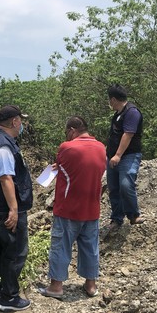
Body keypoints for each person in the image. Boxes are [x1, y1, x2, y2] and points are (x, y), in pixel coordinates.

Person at [39, 117, 107, 299]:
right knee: (90, 247)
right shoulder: (101, 147)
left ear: (72, 130)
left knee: (61, 246)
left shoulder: (66, 147)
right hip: (92, 209)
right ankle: (91, 285)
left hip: (68, 209)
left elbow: (65, 167)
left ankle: (56, 286)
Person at [0, 105, 33, 312]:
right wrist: (13, 208)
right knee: (16, 250)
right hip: (5, 208)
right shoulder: (3, 147)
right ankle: (9, 297)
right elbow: (5, 178)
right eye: (21, 120)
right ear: (14, 122)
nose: (22, 124)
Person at [101, 84, 144, 241]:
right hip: (112, 156)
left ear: (113, 99)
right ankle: (117, 218)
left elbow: (128, 134)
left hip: (128, 156)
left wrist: (118, 155)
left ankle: (134, 215)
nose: (109, 104)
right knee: (114, 188)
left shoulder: (132, 112)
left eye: (109, 100)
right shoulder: (118, 114)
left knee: (126, 184)